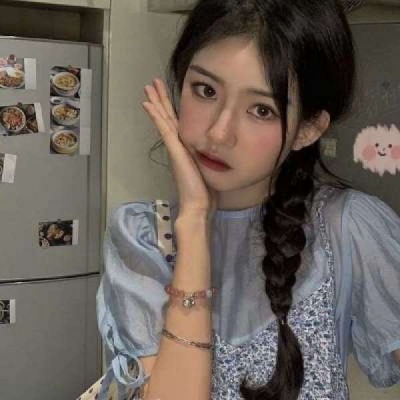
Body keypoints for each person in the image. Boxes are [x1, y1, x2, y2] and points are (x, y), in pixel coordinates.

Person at [96, 0, 400, 399]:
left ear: (308, 129)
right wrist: (194, 222)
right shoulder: (141, 236)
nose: (219, 133)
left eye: (261, 110)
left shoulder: (347, 225)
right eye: (205, 90)